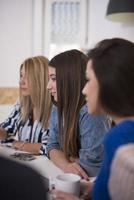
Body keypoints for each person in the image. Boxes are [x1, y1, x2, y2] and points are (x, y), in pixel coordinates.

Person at [50, 38, 134, 200]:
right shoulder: (120, 132)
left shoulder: (121, 138)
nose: (83, 90)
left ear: (109, 82)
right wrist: (94, 189)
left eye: (88, 80)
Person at [46, 49, 110, 180]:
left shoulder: (90, 112)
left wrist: (64, 156)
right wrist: (68, 164)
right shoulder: (57, 106)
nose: (48, 86)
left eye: (53, 79)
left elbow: (91, 168)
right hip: (70, 175)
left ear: (70, 80)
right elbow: (51, 146)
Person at [0, 56, 51, 155]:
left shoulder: (56, 110)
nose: (20, 82)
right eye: (21, 76)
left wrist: (17, 144)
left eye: (27, 77)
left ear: (41, 79)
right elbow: (6, 131)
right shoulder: (22, 104)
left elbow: (50, 148)